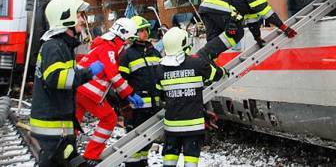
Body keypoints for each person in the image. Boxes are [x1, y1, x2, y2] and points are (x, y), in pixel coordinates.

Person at [30, 0, 105, 167]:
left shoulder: (62, 46)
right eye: (78, 15)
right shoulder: (54, 47)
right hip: (53, 127)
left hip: (60, 125)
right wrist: (88, 73)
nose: (82, 20)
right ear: (66, 17)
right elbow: (57, 79)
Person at [75, 18, 144, 165]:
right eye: (129, 39)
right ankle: (91, 155)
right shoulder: (109, 48)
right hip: (88, 91)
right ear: (123, 35)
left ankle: (65, 152)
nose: (128, 44)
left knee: (73, 122)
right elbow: (113, 75)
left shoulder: (103, 45)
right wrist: (130, 93)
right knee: (109, 118)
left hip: (78, 89)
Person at [155, 27, 226, 167]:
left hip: (172, 127)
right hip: (193, 125)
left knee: (169, 158)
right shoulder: (196, 63)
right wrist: (223, 70)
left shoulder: (160, 68)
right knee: (191, 159)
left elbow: (160, 96)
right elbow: (216, 75)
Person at [197, 0, 297, 60]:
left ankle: (203, 61)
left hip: (207, 8)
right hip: (220, 6)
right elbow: (266, 12)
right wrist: (284, 28)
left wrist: (257, 38)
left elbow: (252, 20)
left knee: (214, 39)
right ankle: (204, 56)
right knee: (236, 32)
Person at [119, 15, 162, 167]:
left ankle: (143, 163)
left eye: (146, 30)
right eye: (140, 30)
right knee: (133, 145)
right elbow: (120, 82)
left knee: (147, 143)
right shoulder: (127, 55)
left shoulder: (155, 53)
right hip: (135, 109)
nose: (144, 33)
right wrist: (125, 106)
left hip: (153, 106)